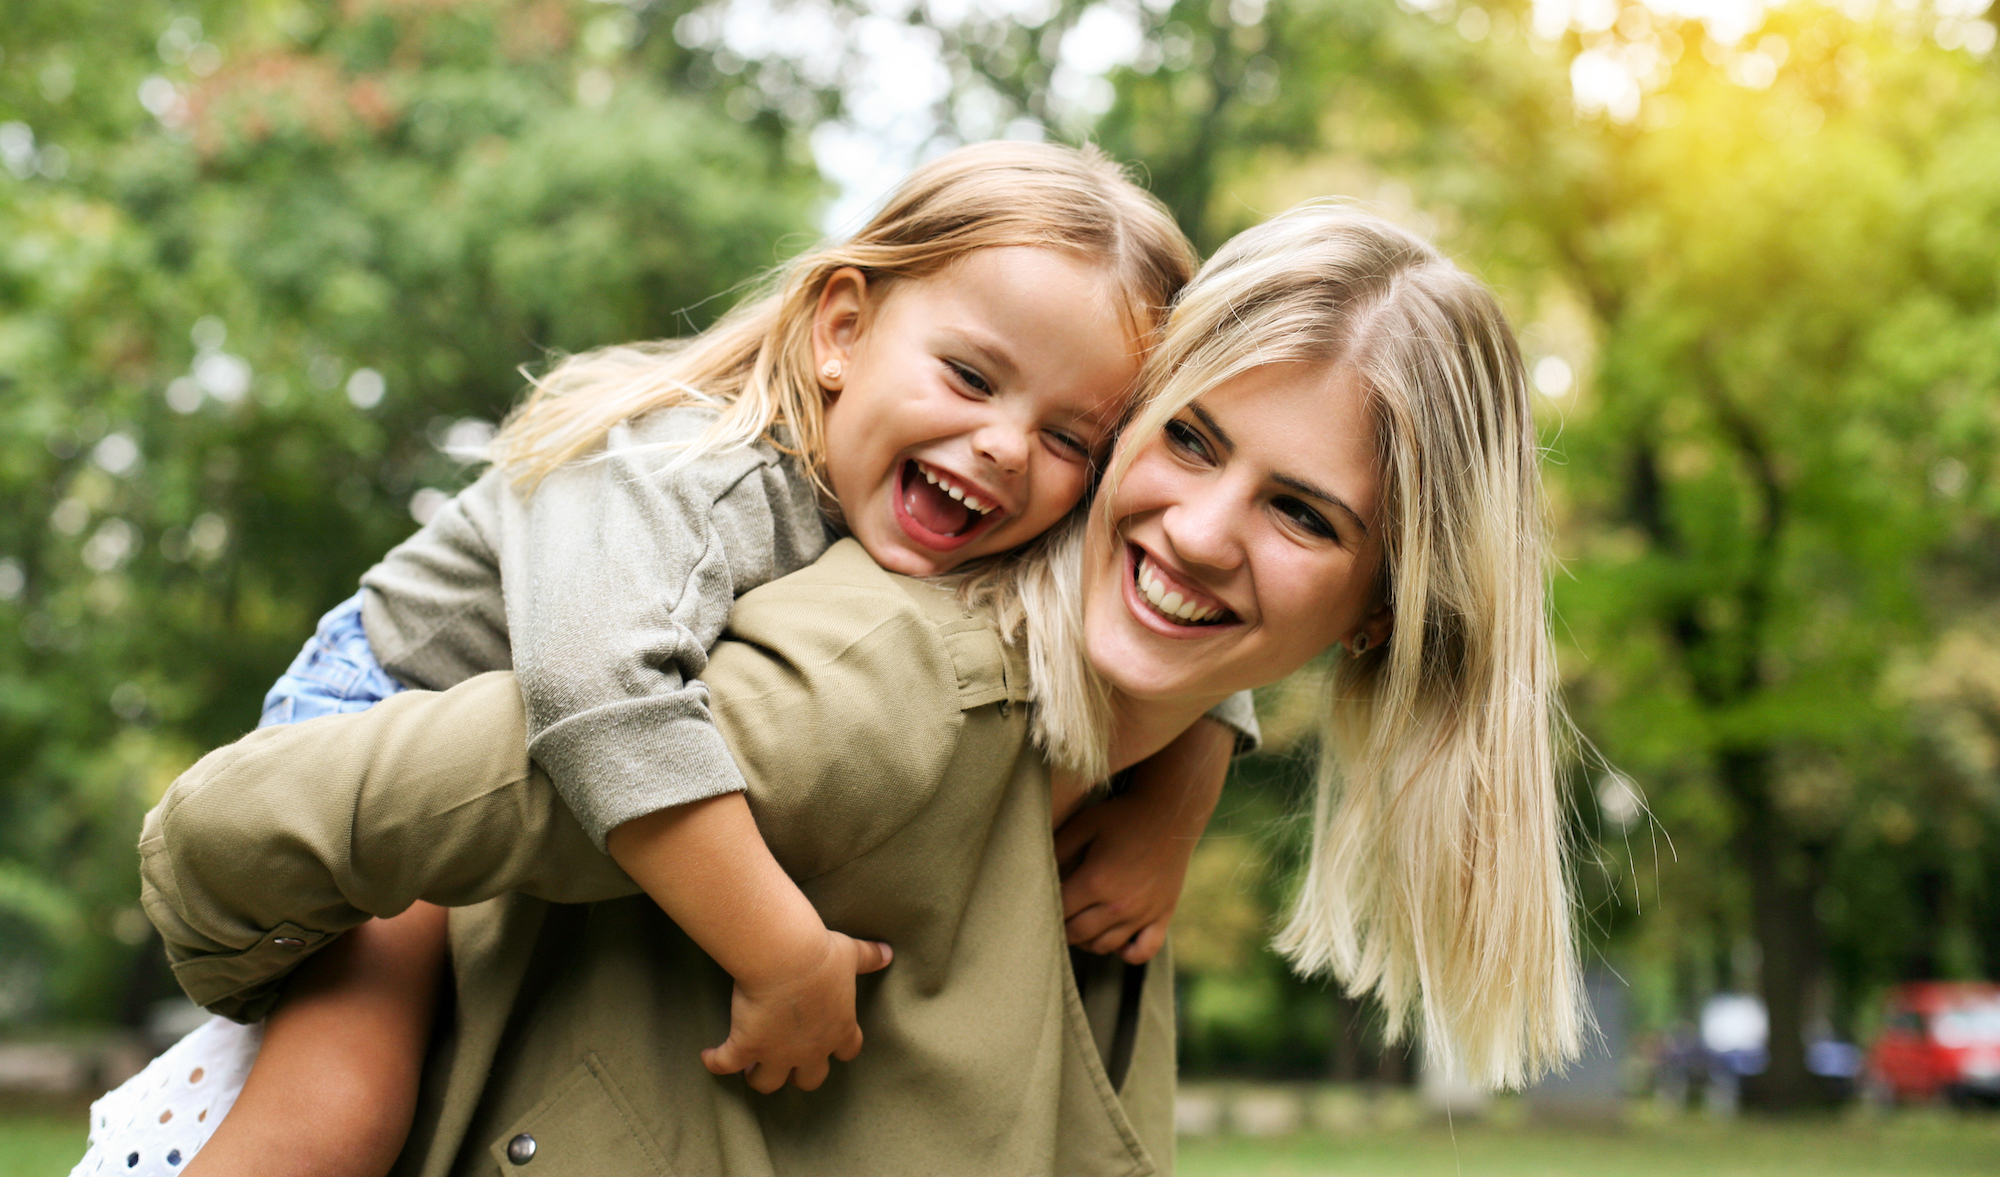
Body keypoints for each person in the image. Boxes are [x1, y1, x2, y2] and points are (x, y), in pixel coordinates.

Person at [127, 203, 1582, 1175]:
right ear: (841, 330)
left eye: (1305, 515)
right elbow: (268, 813)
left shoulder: (1125, 753)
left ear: (1387, 608)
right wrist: (772, 942)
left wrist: (1191, 772)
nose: (1199, 530)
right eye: (1189, 441)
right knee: (331, 1115)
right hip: (390, 685)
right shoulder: (844, 658)